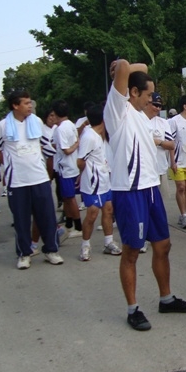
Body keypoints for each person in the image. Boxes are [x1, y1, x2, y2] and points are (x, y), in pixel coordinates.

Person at [104, 58, 186, 332]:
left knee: (163, 245)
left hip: (150, 188)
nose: (152, 100)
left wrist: (132, 72)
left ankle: (166, 299)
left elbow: (142, 68)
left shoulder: (140, 115)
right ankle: (133, 309)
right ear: (132, 92)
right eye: (148, 94)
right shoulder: (117, 110)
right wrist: (119, 68)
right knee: (132, 251)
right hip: (129, 192)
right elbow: (124, 66)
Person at [0, 91, 64, 269]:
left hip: (39, 178)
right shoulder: (3, 126)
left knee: (47, 217)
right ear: (15, 106)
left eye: (30, 103)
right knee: (21, 220)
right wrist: (8, 163)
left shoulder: (36, 121)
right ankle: (24, 254)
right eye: (26, 103)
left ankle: (51, 250)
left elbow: (45, 145)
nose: (30, 106)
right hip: (17, 181)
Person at [76, 104, 120, 261]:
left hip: (105, 181)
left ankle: (108, 242)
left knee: (108, 210)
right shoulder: (89, 137)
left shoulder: (102, 135)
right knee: (92, 214)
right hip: (93, 184)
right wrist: (84, 175)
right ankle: (85, 246)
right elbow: (80, 161)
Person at [52, 100, 82, 238]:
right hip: (69, 166)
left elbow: (67, 150)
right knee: (66, 197)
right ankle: (69, 223)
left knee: (70, 198)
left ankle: (78, 226)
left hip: (67, 168)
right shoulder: (70, 124)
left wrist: (76, 144)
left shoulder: (61, 129)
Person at [168, 95, 186, 228]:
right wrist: (172, 161)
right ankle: (183, 214)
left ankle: (184, 215)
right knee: (180, 186)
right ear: (185, 106)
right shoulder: (174, 121)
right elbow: (171, 142)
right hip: (178, 160)